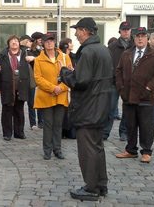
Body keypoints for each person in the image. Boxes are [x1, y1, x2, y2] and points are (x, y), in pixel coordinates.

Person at [60, 17, 113, 201]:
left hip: (88, 108)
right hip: (100, 107)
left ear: (86, 31)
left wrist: (65, 73)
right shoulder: (103, 50)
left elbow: (80, 81)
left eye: (78, 30)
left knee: (88, 150)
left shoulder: (89, 51)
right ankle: (100, 184)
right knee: (97, 148)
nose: (75, 34)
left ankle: (91, 188)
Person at [115, 27, 154, 163]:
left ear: (147, 38)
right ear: (134, 38)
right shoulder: (127, 54)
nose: (140, 39)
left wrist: (149, 87)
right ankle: (130, 150)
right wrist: (120, 87)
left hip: (146, 97)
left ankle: (146, 151)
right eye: (138, 36)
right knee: (130, 124)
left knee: (146, 126)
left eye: (143, 36)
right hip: (128, 96)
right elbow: (118, 71)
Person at [34, 33, 72, 160]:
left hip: (61, 95)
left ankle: (58, 149)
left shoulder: (65, 58)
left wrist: (61, 88)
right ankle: (47, 150)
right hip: (46, 95)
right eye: (47, 41)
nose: (49, 43)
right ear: (43, 44)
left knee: (58, 123)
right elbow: (38, 78)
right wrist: (52, 88)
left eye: (51, 41)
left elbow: (71, 76)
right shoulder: (39, 60)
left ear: (55, 42)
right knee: (48, 124)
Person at [102, 21, 134, 141]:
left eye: (128, 29)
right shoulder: (112, 46)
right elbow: (107, 64)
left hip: (130, 82)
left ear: (131, 31)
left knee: (127, 108)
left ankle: (124, 132)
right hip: (114, 82)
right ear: (119, 31)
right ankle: (105, 132)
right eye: (123, 30)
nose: (126, 32)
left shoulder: (135, 45)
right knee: (110, 108)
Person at [0, 35, 30, 141]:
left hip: (21, 86)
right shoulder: (3, 55)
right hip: (7, 86)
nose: (14, 42)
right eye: (12, 41)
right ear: (8, 44)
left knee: (19, 110)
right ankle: (7, 133)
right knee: (7, 110)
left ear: (19, 43)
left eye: (16, 41)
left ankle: (19, 132)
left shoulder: (25, 54)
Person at [27, 31, 44, 129]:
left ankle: (41, 121)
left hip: (41, 77)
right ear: (35, 40)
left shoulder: (43, 50)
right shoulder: (29, 51)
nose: (41, 41)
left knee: (41, 99)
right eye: (39, 39)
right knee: (32, 101)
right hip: (32, 77)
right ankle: (33, 123)